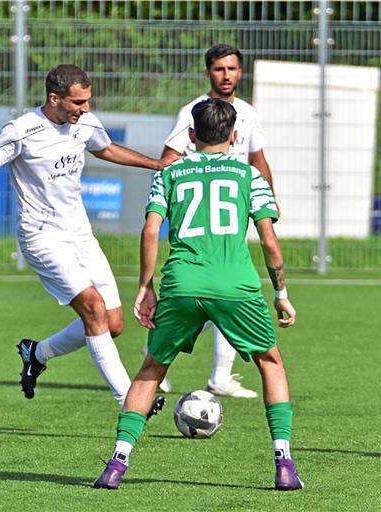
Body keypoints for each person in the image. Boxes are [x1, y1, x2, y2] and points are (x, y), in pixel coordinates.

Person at [94, 98, 303, 491]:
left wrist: (145, 285)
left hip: (182, 283)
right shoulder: (249, 175)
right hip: (236, 285)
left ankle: (117, 463)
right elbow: (270, 241)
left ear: (191, 135)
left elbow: (151, 230)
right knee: (270, 362)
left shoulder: (170, 173)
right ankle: (284, 463)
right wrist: (281, 292)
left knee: (152, 369)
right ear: (235, 136)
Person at [0, 64, 178, 409]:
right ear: (54, 98)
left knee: (114, 322)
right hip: (41, 236)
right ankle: (129, 401)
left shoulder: (85, 123)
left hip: (80, 233)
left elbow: (104, 148)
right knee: (93, 308)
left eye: (88, 100)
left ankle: (37, 352)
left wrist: (154, 164)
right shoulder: (22, 130)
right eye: (78, 102)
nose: (86, 108)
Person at [158, 43, 276, 399]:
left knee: (224, 290)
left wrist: (269, 197)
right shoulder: (193, 112)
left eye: (233, 69)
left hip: (233, 216)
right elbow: (168, 159)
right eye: (220, 69)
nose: (227, 75)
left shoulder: (247, 113)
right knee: (204, 288)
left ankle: (220, 376)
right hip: (201, 217)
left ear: (241, 72)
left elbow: (258, 159)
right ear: (208, 72)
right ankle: (156, 361)